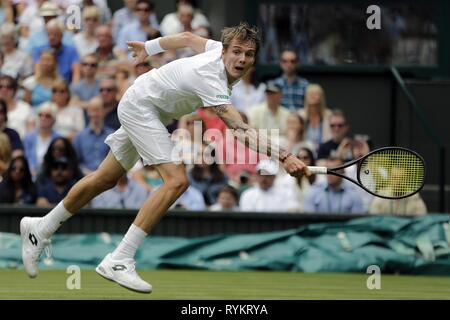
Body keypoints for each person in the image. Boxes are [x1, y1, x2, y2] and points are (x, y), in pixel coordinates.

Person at [20, 23, 309, 293]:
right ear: (223, 51)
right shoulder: (212, 77)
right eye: (236, 51)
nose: (243, 59)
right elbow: (240, 129)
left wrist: (149, 47)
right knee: (177, 181)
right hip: (142, 108)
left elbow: (186, 38)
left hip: (147, 106)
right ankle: (120, 258)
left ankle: (40, 228)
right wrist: (283, 155)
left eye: (249, 54)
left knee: (104, 179)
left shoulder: (213, 52)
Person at [73, 96, 114, 175]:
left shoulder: (112, 135)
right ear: (88, 112)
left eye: (98, 110)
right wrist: (86, 172)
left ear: (104, 111)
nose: (95, 114)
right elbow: (75, 162)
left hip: (107, 178)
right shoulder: (79, 137)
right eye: (92, 110)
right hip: (84, 178)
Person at [31, 19, 80, 83]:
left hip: (65, 87)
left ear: (62, 35)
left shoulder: (71, 51)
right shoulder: (39, 50)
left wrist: (73, 90)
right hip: (44, 85)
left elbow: (76, 73)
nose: (52, 37)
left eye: (55, 34)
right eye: (49, 34)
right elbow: (38, 72)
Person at [23, 102, 60, 177]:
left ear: (54, 119)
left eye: (48, 116)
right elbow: (25, 159)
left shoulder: (58, 140)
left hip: (50, 177)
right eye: (40, 115)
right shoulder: (28, 137)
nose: (43, 118)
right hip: (30, 176)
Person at [299, 83, 332, 149]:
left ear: (321, 97)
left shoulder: (329, 115)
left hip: (323, 151)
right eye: (310, 93)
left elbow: (331, 139)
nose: (312, 96)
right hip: (303, 152)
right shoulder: (300, 115)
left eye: (315, 93)